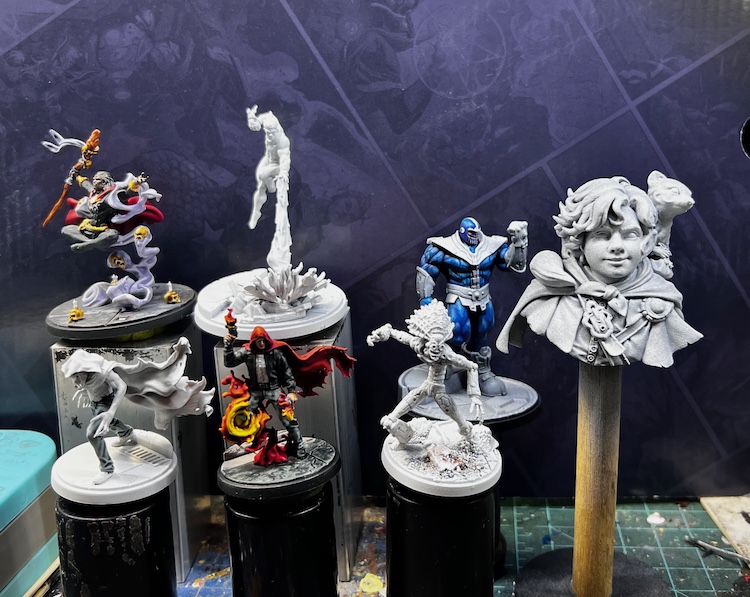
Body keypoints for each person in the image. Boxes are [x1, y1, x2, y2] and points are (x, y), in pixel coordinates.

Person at [496, 176, 702, 367]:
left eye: (630, 234)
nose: (617, 246)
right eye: (602, 234)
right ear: (579, 241)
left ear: (646, 242)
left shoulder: (663, 301)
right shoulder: (548, 297)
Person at [61, 338, 214, 484]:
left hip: (105, 402)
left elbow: (121, 386)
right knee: (109, 423)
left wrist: (110, 411)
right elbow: (88, 386)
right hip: (95, 403)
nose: (76, 381)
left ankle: (107, 469)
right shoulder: (84, 378)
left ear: (85, 370)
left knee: (93, 434)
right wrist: (84, 392)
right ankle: (126, 433)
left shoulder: (104, 372)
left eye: (77, 376)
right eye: (73, 377)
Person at [417, 216, 527, 395]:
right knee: (457, 332)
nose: (475, 237)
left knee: (482, 331)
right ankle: (445, 364)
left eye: (477, 233)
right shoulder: (444, 247)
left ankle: (481, 370)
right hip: (458, 296)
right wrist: (425, 298)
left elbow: (512, 264)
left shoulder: (491, 245)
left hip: (483, 297)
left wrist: (519, 242)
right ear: (462, 232)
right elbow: (427, 270)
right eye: (471, 234)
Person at [367, 301, 483, 445]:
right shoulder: (419, 345)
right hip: (428, 383)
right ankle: (392, 418)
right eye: (434, 346)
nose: (436, 350)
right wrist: (384, 333)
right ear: (427, 342)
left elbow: (472, 366)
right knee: (415, 396)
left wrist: (474, 395)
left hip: (438, 387)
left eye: (439, 347)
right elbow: (400, 335)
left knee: (443, 403)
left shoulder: (447, 354)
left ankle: (465, 429)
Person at [224, 326, 306, 458]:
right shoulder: (247, 352)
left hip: (273, 389)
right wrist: (228, 346)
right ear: (254, 342)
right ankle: (250, 444)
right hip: (256, 391)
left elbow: (286, 371)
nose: (262, 344)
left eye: (263, 341)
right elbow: (230, 362)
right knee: (244, 417)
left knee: (288, 419)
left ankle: (299, 445)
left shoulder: (275, 353)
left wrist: (291, 390)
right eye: (258, 341)